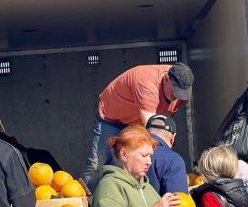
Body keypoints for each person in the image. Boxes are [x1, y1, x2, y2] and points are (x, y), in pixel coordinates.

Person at [80, 62, 194, 191]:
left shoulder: (181, 87)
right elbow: (153, 131)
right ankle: (89, 203)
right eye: (175, 92)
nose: (178, 97)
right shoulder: (147, 84)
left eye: (182, 93)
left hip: (139, 121)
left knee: (143, 161)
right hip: (112, 119)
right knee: (98, 164)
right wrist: (170, 162)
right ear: (167, 78)